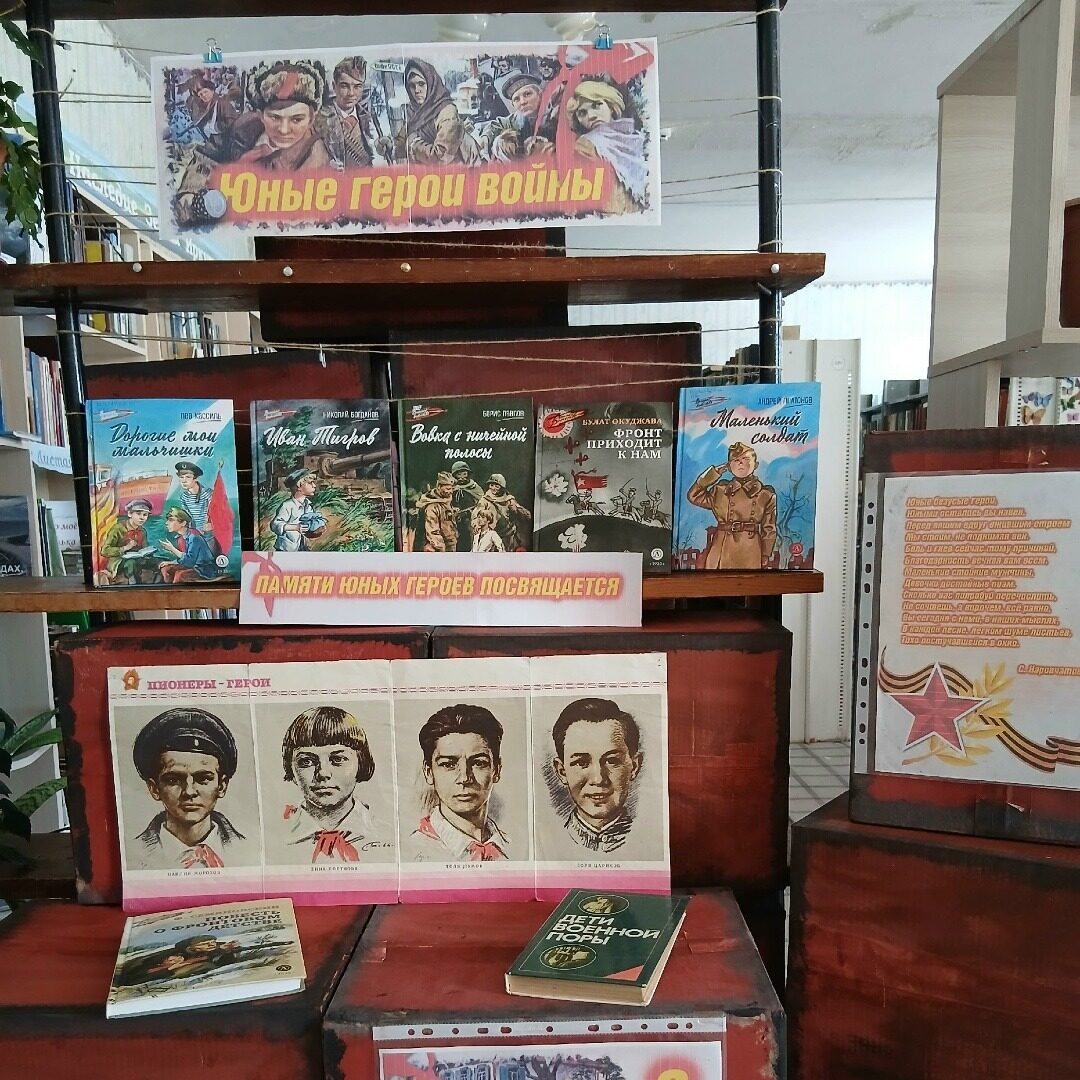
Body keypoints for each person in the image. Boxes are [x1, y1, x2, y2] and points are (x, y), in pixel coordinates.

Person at [174, 60, 332, 226]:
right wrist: (190, 191)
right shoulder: (244, 127)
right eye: (275, 117)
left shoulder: (315, 158)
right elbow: (207, 156)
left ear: (311, 119)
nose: (284, 130)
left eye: (296, 119)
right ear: (261, 115)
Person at [130, 707, 246, 870]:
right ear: (154, 788)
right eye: (173, 780)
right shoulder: (133, 856)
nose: (189, 792)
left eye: (203, 779)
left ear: (222, 786)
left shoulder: (247, 850)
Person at [409, 704, 510, 862]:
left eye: (478, 763)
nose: (464, 778)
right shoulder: (414, 851)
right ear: (429, 772)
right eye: (448, 764)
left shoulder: (511, 847)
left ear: (496, 770)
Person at [280, 705, 379, 862]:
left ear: (361, 763)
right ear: (291, 770)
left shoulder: (382, 830)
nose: (322, 773)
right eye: (306, 761)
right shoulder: (277, 836)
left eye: (338, 759)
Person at [550, 697, 643, 854]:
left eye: (612, 761)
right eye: (581, 763)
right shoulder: (549, 844)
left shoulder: (649, 839)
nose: (598, 779)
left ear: (634, 766)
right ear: (562, 771)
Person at [686, 441, 777, 570]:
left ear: (756, 465)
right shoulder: (720, 490)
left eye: (745, 459)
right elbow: (693, 496)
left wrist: (765, 554)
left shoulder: (766, 495)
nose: (740, 463)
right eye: (735, 460)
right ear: (729, 466)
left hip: (750, 551)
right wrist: (713, 473)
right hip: (720, 549)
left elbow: (769, 528)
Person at [566, 78, 648, 214]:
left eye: (596, 105)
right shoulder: (586, 145)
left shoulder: (636, 136)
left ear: (610, 106)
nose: (591, 116)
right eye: (582, 113)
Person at [393, 58, 481, 167]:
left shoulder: (446, 112)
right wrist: (390, 146)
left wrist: (414, 145)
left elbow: (442, 157)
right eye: (412, 85)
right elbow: (403, 141)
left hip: (463, 169)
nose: (416, 90)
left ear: (431, 84)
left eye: (421, 84)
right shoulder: (415, 112)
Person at [320, 56, 387, 168]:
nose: (351, 93)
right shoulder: (320, 119)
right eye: (344, 86)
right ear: (334, 86)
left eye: (357, 86)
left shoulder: (367, 117)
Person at [115, 935, 243, 987]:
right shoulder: (167, 956)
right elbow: (138, 975)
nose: (211, 945)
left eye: (213, 942)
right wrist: (170, 968)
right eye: (205, 943)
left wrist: (232, 950)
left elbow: (224, 962)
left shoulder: (213, 950)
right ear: (191, 948)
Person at [488, 71, 553, 161]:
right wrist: (486, 137)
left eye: (527, 94)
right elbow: (497, 124)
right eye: (516, 99)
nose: (522, 102)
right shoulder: (518, 119)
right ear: (513, 105)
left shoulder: (553, 113)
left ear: (540, 94)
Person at [98, 497, 152, 584]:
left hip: (138, 559)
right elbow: (105, 550)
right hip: (119, 561)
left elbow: (144, 548)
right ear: (130, 514)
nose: (142, 518)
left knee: (156, 561)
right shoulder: (118, 529)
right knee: (131, 563)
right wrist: (125, 548)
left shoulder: (142, 531)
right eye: (138, 514)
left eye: (145, 515)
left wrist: (148, 552)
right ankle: (132, 584)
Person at [158, 506, 218, 583]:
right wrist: (171, 562)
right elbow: (184, 559)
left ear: (183, 523)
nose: (167, 523)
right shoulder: (180, 538)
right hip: (192, 566)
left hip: (203, 569)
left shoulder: (194, 537)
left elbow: (189, 561)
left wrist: (172, 549)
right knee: (165, 569)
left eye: (171, 520)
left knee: (179, 576)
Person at [270, 468, 323, 552]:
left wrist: (317, 526)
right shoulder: (287, 506)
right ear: (299, 486)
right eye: (310, 483)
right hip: (286, 549)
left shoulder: (308, 506)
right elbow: (275, 525)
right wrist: (296, 527)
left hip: (302, 547)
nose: (314, 486)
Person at [479, 473, 532, 551]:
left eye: (497, 486)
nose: (493, 488)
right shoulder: (484, 500)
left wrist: (516, 509)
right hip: (491, 537)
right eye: (491, 485)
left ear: (502, 487)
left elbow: (527, 516)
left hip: (508, 537)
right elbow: (476, 515)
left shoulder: (509, 499)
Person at [414, 471, 458, 552]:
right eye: (448, 489)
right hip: (438, 548)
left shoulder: (446, 500)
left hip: (451, 544)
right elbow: (433, 532)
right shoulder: (432, 506)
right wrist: (441, 549)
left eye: (452, 488)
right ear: (439, 486)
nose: (451, 491)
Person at [450, 459, 484, 551]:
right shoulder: (450, 488)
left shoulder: (475, 488)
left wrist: (469, 512)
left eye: (464, 474)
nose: (462, 477)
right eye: (459, 474)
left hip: (470, 520)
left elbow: (482, 503)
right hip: (453, 520)